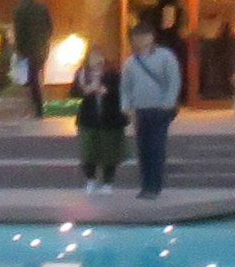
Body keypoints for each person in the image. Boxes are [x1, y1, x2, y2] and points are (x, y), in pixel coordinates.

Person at [122, 13, 185, 198]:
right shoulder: (130, 62)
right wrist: (126, 106)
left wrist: (168, 103)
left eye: (143, 36)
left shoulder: (166, 57)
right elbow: (125, 87)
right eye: (136, 37)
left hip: (161, 110)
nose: (139, 41)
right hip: (140, 110)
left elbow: (174, 81)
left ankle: (155, 186)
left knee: (156, 147)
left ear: (151, 37)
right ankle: (145, 185)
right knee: (143, 148)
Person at [71, 30, 125, 189]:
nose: (97, 59)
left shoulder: (113, 73)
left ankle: (108, 181)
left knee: (109, 151)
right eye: (93, 56)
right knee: (89, 150)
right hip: (89, 118)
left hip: (110, 117)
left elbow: (121, 91)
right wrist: (86, 90)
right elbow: (73, 92)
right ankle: (91, 179)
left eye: (100, 56)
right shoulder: (82, 74)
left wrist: (106, 90)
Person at [11, 0, 54, 115]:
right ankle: (37, 106)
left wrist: (19, 50)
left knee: (30, 79)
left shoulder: (19, 9)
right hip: (42, 47)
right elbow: (50, 27)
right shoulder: (42, 8)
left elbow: (19, 32)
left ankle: (37, 108)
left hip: (28, 49)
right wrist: (44, 41)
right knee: (36, 76)